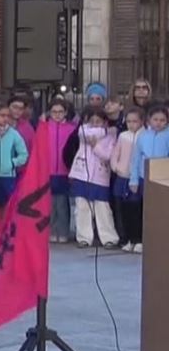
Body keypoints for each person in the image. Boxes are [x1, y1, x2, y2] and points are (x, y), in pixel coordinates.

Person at [67, 106, 119, 250]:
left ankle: (109, 238)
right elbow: (85, 132)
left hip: (100, 177)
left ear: (105, 122)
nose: (95, 124)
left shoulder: (110, 137)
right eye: (92, 121)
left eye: (99, 121)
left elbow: (108, 156)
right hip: (81, 175)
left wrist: (96, 146)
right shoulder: (83, 133)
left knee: (103, 209)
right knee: (82, 208)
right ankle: (84, 237)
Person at [0, 104, 29, 231]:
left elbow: (23, 154)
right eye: (2, 115)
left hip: (7, 176)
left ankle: (5, 229)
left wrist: (12, 163)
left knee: (7, 204)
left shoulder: (13, 134)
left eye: (7, 116)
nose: (5, 119)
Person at [42, 98, 78, 243]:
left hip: (65, 171)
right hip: (48, 171)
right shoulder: (44, 128)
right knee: (49, 204)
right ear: (49, 113)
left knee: (63, 204)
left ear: (66, 113)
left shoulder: (72, 129)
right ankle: (50, 231)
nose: (57, 115)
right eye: (54, 112)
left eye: (60, 112)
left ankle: (63, 231)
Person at [113, 107, 144, 254]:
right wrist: (116, 167)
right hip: (123, 175)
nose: (131, 124)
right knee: (123, 209)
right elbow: (115, 152)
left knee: (136, 209)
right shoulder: (123, 135)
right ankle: (128, 239)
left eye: (135, 121)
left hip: (138, 176)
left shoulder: (144, 135)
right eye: (129, 121)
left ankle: (138, 239)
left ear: (142, 122)